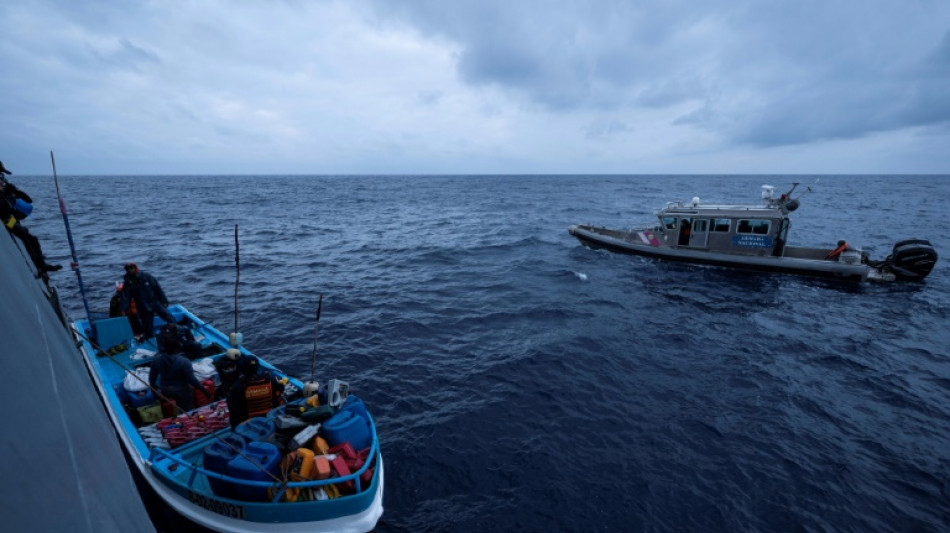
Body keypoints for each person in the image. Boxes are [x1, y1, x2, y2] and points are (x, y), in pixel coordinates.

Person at [0, 161, 62, 274]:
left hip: (11, 219)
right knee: (29, 239)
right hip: (8, 221)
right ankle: (41, 265)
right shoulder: (3, 199)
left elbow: (28, 201)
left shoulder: (5, 194)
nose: (2, 181)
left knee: (32, 239)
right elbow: (5, 215)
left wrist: (15, 192)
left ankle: (41, 264)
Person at [148, 325, 207, 412]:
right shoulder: (184, 361)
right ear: (178, 349)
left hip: (165, 390)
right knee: (187, 409)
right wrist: (204, 390)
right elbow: (192, 380)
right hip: (182, 390)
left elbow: (152, 378)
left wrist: (154, 388)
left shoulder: (156, 360)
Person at [119, 262, 175, 340]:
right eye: (128, 269)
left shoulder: (147, 276)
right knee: (147, 326)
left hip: (154, 302)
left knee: (167, 316)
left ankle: (176, 330)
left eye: (131, 268)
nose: (130, 270)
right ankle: (151, 339)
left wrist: (164, 301)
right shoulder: (128, 282)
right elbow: (126, 296)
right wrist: (123, 309)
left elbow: (157, 289)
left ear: (135, 268)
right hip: (142, 306)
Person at [226, 356, 285, 428]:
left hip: (249, 420)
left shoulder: (238, 386)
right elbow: (281, 390)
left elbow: (233, 407)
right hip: (270, 415)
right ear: (257, 367)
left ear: (243, 368)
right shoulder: (271, 380)